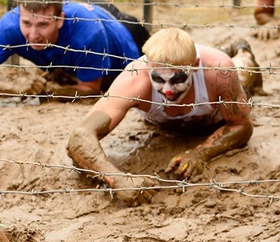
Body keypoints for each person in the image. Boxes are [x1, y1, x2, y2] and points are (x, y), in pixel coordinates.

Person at [67, 28, 253, 205]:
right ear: (148, 67)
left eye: (177, 79)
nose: (168, 90)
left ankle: (242, 52)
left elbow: (242, 125)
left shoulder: (218, 71)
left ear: (195, 66)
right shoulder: (134, 78)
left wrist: (200, 153)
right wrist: (117, 180)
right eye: (158, 79)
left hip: (213, 117)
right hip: (165, 123)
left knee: (244, 72)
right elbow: (80, 137)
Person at [0, 0, 146, 100]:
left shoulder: (88, 33)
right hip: (78, 20)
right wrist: (18, 89)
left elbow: (91, 88)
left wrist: (52, 91)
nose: (33, 34)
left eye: (42, 25)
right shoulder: (10, 25)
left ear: (59, 20)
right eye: (26, 23)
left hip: (123, 32)